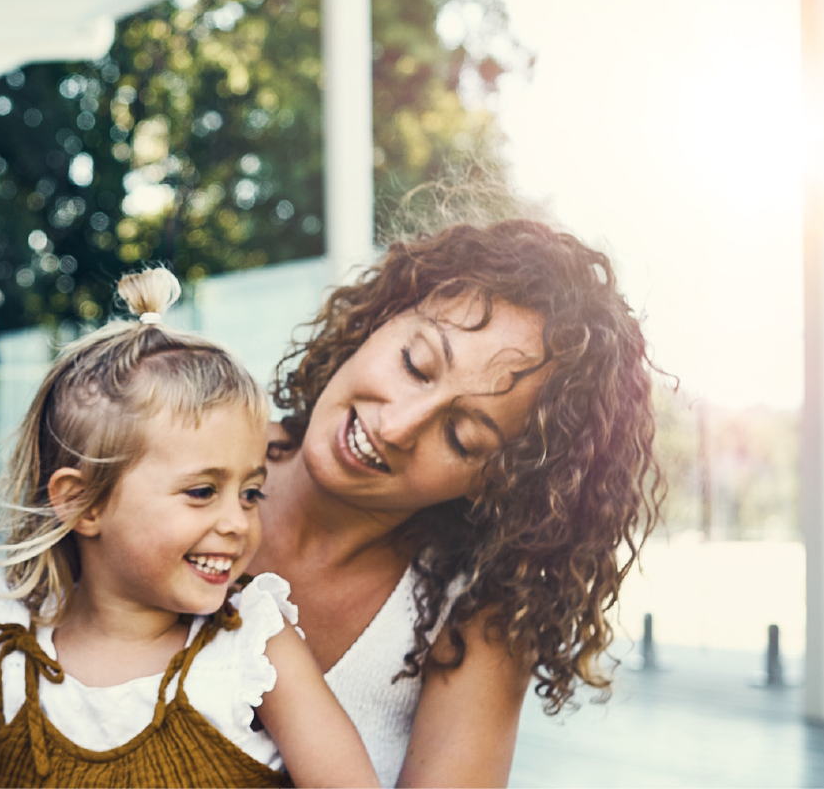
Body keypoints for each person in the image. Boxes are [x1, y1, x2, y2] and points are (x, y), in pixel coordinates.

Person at [0, 270, 377, 789]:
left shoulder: (252, 647)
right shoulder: (0, 647)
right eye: (202, 491)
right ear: (82, 504)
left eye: (251, 493)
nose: (238, 523)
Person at [250, 219, 663, 786]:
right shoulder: (172, 450)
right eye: (415, 364)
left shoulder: (474, 621)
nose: (396, 426)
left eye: (462, 438)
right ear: (381, 318)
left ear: (498, 482)